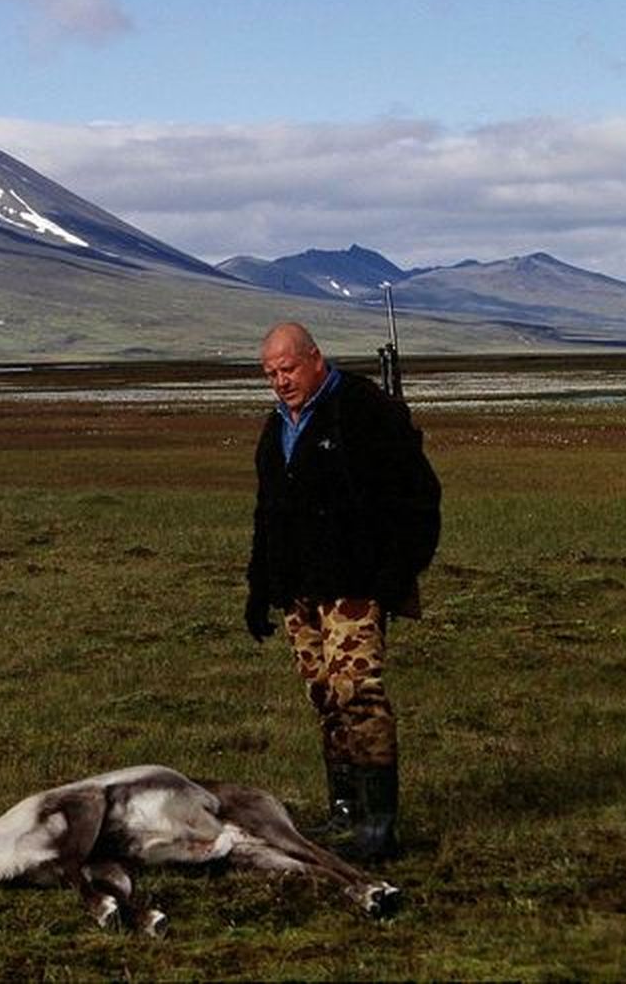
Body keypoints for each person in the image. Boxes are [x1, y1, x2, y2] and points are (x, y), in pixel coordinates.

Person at [244, 322, 440, 861]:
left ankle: (380, 823)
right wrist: (260, 586)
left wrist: (395, 576)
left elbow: (419, 498)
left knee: (358, 691)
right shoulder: (276, 427)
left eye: (287, 369)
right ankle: (345, 810)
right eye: (270, 374)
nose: (280, 382)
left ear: (315, 359)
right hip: (299, 589)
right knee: (325, 696)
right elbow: (268, 514)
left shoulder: (363, 410)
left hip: (354, 584)